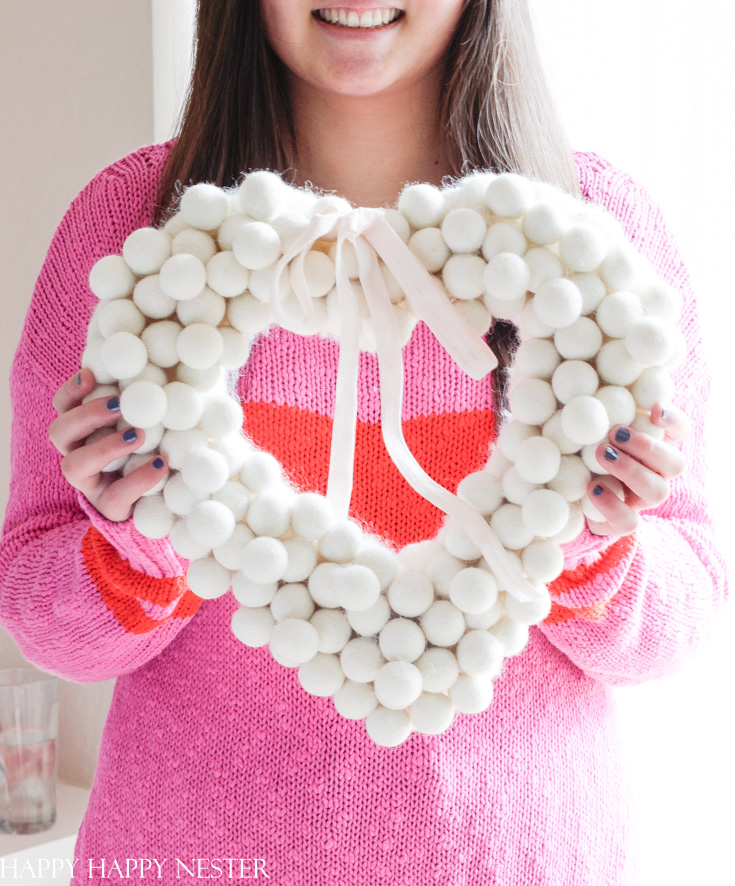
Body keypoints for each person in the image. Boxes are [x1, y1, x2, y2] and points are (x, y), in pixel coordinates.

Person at [0, 1, 728, 883]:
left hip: (525, 861)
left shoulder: (595, 244)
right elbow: (42, 621)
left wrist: (583, 542)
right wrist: (142, 536)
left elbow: (681, 624)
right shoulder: (137, 237)